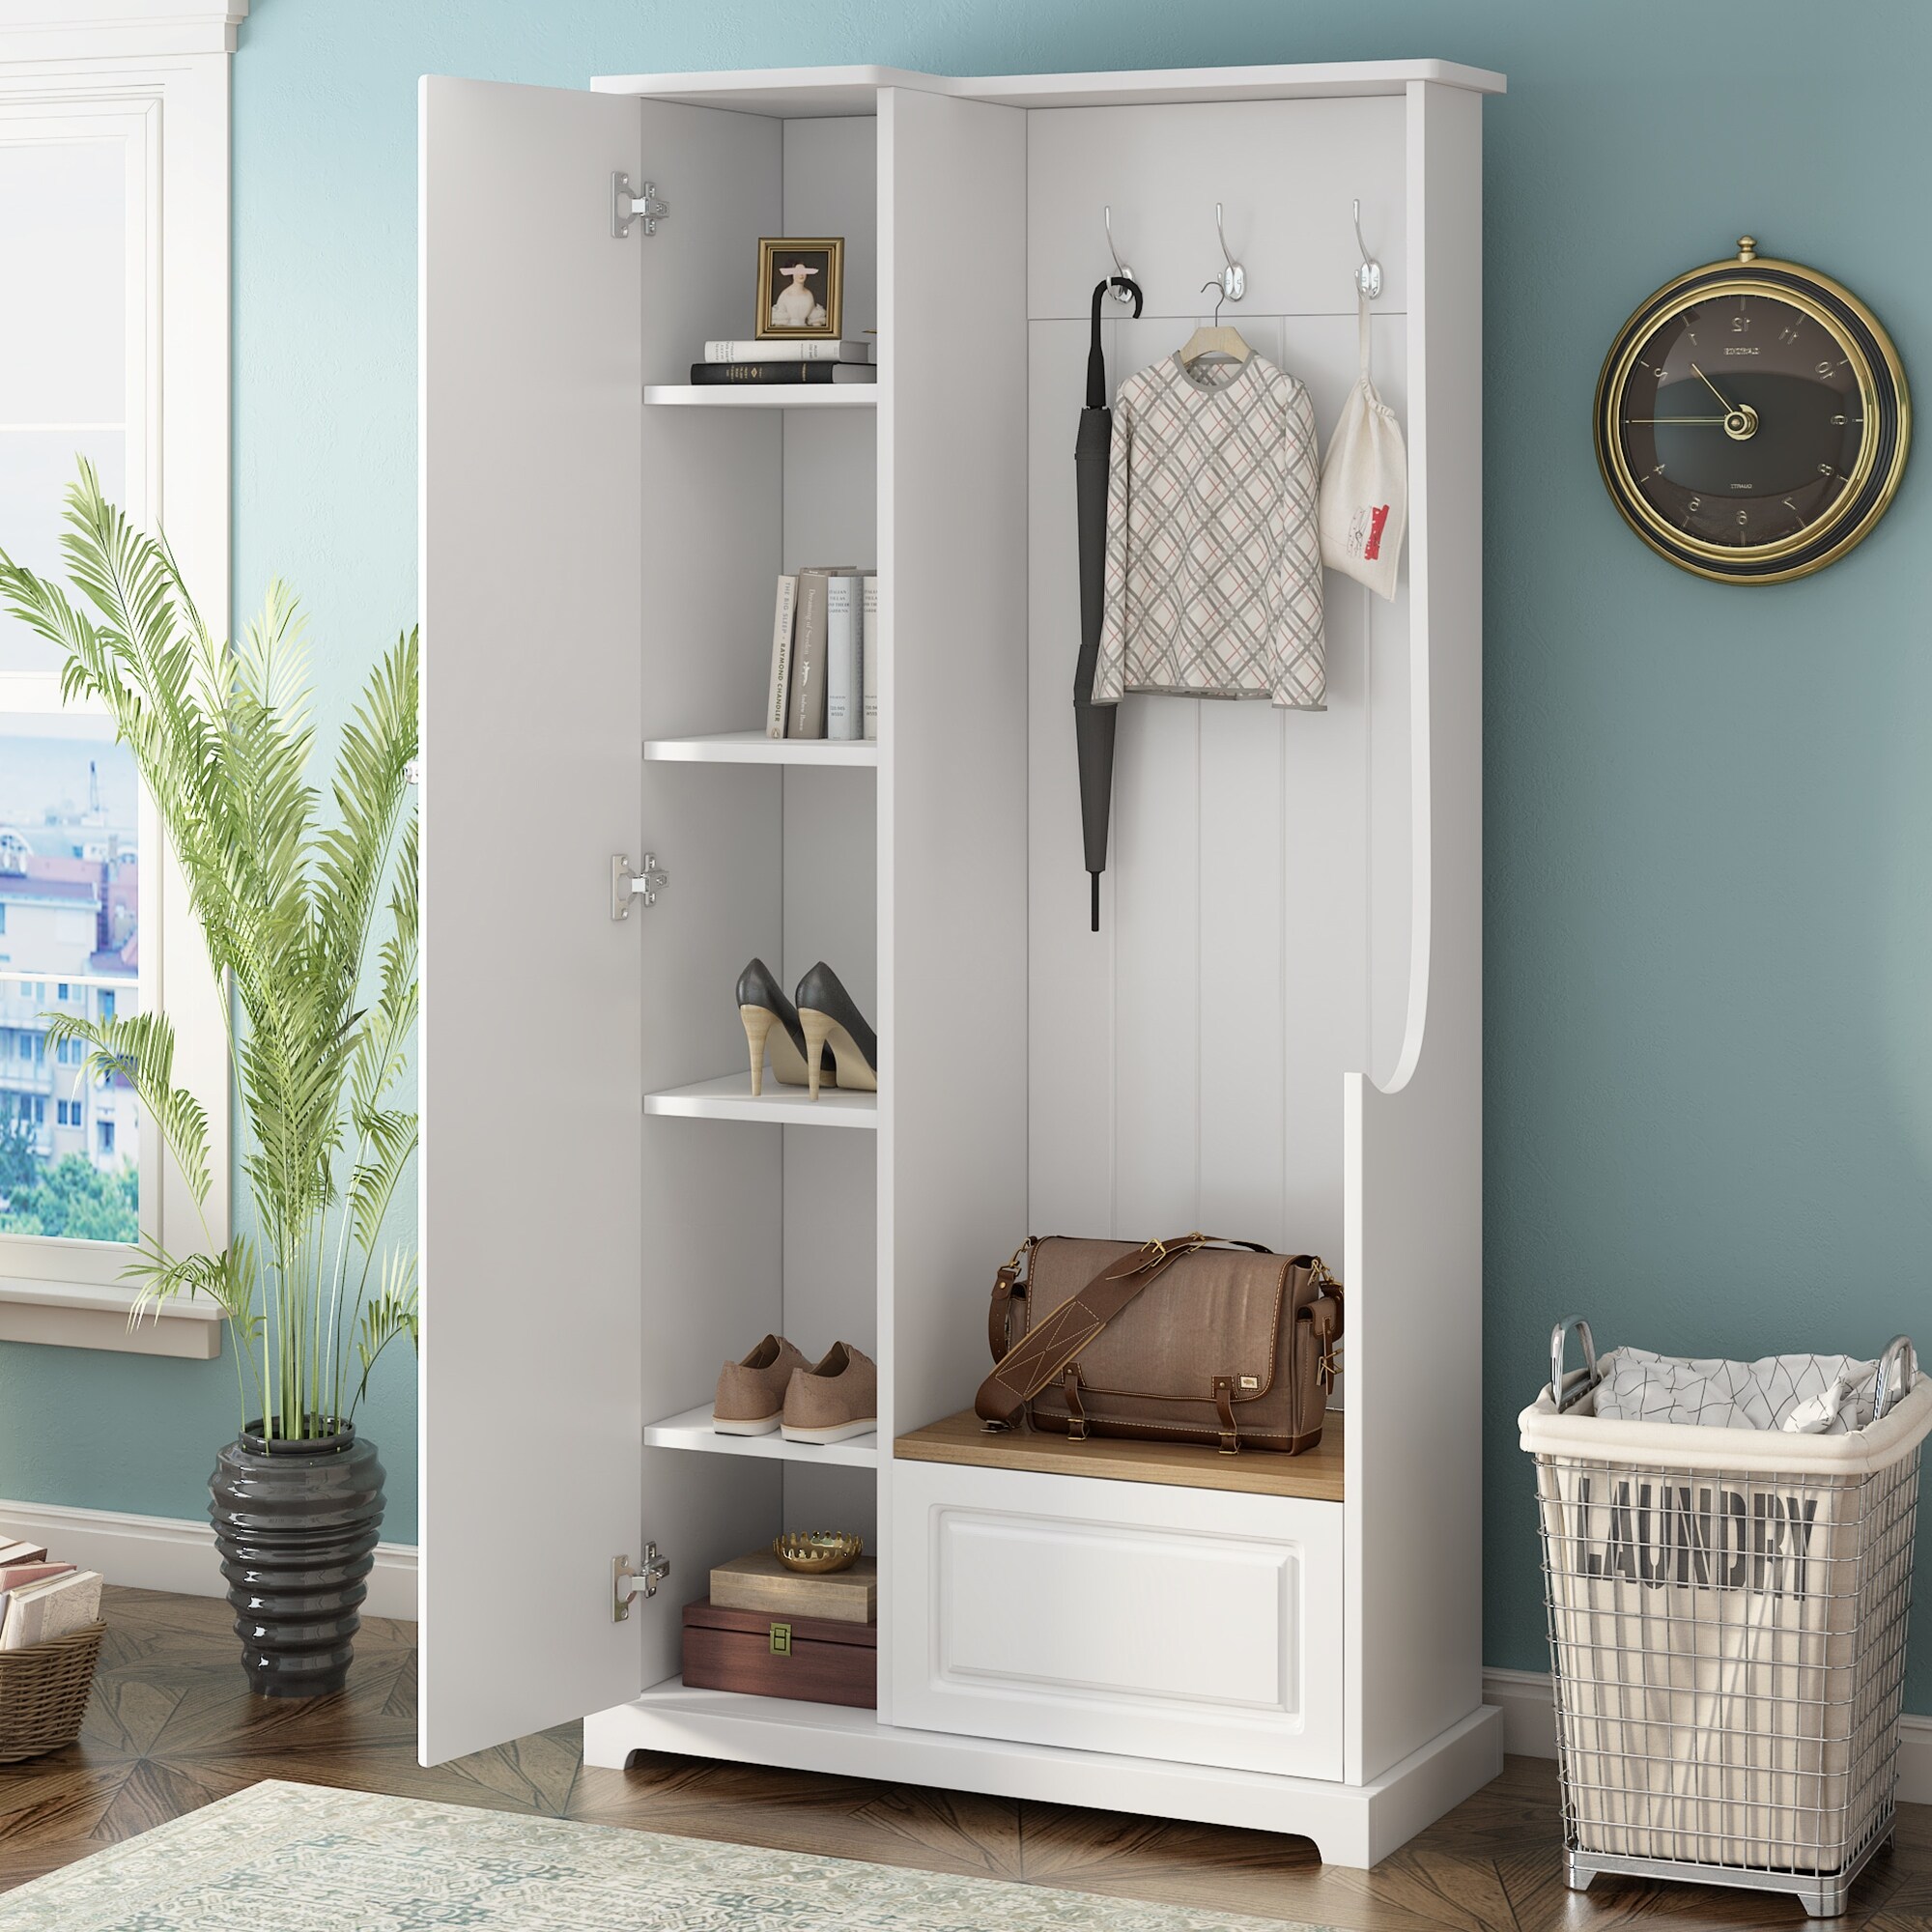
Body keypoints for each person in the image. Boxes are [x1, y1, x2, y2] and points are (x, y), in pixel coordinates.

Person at [771, 260, 828, 329]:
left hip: (805, 333)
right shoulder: (786, 294)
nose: (801, 275)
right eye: (798, 272)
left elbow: (814, 317)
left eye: (803, 272)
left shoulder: (809, 294)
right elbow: (779, 324)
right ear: (792, 274)